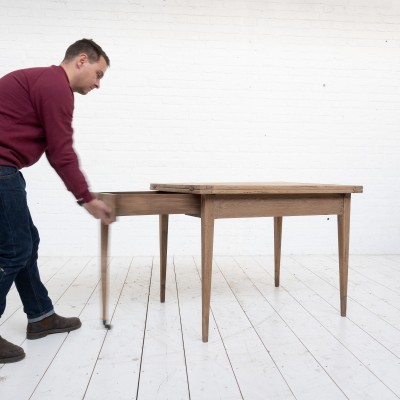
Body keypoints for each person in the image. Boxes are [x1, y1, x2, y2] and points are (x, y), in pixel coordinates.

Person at [0, 39, 114, 364]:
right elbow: (61, 152)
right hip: (1, 168)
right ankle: (38, 316)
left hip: (6, 168)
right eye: (98, 74)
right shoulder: (55, 87)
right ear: (81, 60)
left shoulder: (44, 81)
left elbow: (54, 149)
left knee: (26, 243)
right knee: (13, 249)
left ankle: (40, 316)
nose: (97, 84)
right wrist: (86, 198)